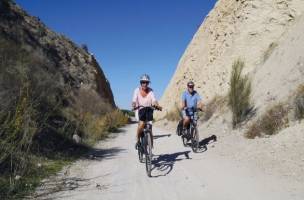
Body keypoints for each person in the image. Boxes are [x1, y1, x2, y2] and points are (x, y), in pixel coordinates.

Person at [132, 74, 161, 149]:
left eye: (146, 82)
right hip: (139, 110)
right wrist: (134, 105)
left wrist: (157, 105)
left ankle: (150, 146)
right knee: (141, 124)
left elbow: (154, 100)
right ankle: (138, 140)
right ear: (140, 83)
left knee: (150, 128)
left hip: (148, 110)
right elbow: (134, 100)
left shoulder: (151, 91)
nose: (145, 84)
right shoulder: (137, 90)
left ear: (148, 83)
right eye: (143, 82)